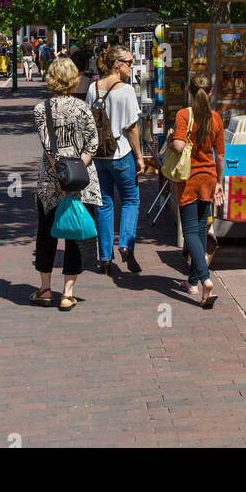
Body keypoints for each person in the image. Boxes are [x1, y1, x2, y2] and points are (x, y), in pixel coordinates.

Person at [32, 56, 102, 310]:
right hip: (81, 182)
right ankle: (67, 292)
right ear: (74, 79)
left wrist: (61, 175)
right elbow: (93, 143)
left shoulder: (41, 109)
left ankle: (44, 288)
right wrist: (76, 170)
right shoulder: (83, 108)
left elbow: (49, 148)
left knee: (46, 234)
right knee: (75, 234)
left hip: (51, 183)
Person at [86, 45, 145, 276]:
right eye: (129, 62)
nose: (132, 66)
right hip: (121, 154)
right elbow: (131, 128)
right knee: (131, 200)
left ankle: (104, 257)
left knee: (104, 203)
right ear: (117, 64)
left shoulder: (93, 88)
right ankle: (126, 244)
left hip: (99, 156)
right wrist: (140, 157)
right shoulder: (126, 91)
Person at [168, 72, 224, 307]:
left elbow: (179, 146)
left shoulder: (184, 115)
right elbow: (220, 154)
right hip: (209, 178)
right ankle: (192, 282)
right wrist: (220, 181)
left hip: (189, 179)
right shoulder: (216, 118)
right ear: (211, 92)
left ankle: (204, 279)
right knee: (201, 227)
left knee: (189, 231)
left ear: (189, 91)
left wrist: (171, 138)